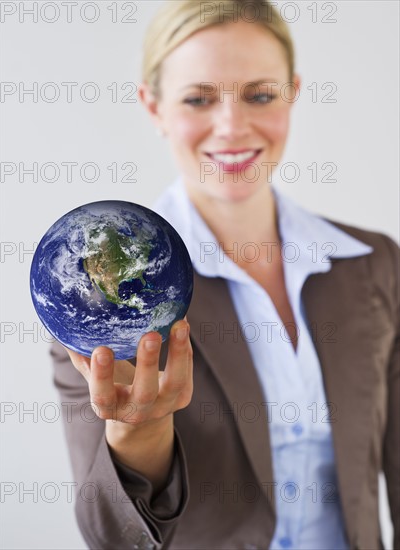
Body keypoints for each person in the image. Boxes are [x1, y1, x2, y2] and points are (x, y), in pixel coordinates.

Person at [50, 1, 399, 549]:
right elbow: (111, 536)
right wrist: (137, 435)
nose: (233, 127)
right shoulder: (102, 304)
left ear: (292, 92)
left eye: (260, 94)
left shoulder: (374, 263)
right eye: (198, 98)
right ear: (154, 106)